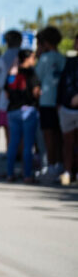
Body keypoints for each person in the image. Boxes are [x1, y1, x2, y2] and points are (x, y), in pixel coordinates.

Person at [4, 49, 40, 182]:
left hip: (13, 110)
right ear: (28, 58)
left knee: (13, 143)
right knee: (28, 145)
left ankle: (10, 173)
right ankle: (27, 175)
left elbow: (7, 93)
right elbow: (36, 91)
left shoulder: (12, 73)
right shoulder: (32, 72)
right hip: (28, 110)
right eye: (33, 57)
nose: (34, 59)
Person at [35, 27, 66, 182]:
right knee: (60, 136)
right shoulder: (63, 58)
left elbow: (37, 77)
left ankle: (51, 166)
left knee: (48, 135)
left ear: (45, 43)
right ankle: (60, 164)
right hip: (61, 102)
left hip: (47, 101)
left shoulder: (45, 58)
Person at [56, 34, 78, 186]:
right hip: (67, 108)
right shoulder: (70, 61)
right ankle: (67, 172)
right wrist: (59, 103)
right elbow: (62, 82)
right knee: (68, 143)